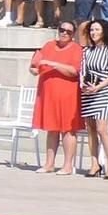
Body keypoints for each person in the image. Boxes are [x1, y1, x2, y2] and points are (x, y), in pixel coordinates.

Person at [30, 22, 84, 174]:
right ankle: (49, 164)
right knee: (52, 129)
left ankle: (67, 165)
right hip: (49, 94)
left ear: (73, 34)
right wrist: (33, 69)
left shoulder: (76, 49)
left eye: (68, 31)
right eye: (62, 30)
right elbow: (35, 64)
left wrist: (52, 63)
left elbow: (74, 71)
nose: (65, 33)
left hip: (68, 95)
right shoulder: (48, 45)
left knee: (68, 129)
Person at [78, 18, 108, 178]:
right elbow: (82, 70)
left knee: (102, 129)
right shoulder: (87, 51)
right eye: (91, 30)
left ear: (104, 31)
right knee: (90, 129)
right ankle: (94, 163)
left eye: (97, 30)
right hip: (87, 92)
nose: (94, 33)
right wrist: (82, 83)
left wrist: (98, 87)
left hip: (102, 93)